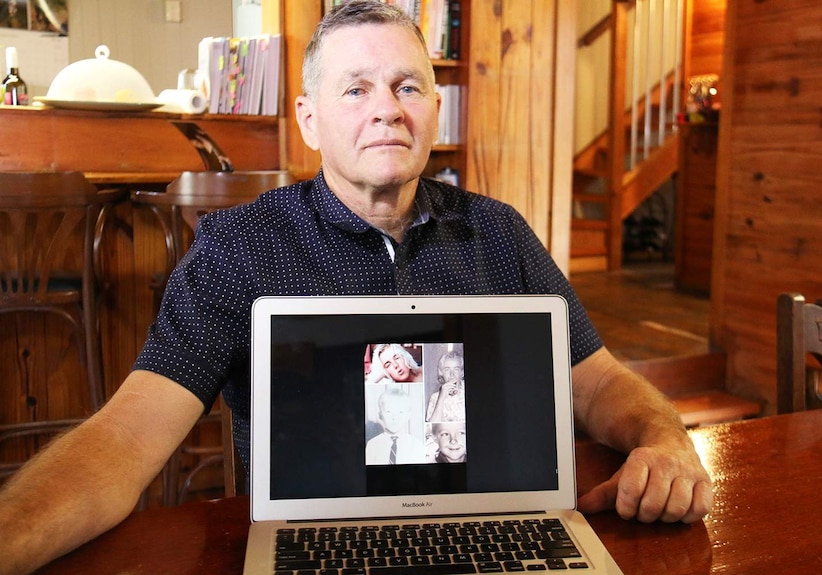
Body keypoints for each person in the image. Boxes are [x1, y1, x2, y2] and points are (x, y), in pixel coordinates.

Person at [0, 2, 712, 573]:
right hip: (310, 546)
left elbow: (596, 383)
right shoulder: (239, 248)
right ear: (310, 120)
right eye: (356, 88)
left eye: (408, 87)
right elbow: (126, 436)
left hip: (492, 541)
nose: (387, 108)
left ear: (435, 109)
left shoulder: (501, 234)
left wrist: (666, 438)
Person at [365, 388, 426, 465]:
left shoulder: (416, 446)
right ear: (380, 415)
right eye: (388, 412)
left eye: (400, 412)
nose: (394, 417)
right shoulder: (372, 445)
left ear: (408, 415)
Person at [425, 349, 465, 422]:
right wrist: (442, 397)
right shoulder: (435, 397)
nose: (452, 374)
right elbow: (432, 426)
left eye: (456, 369)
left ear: (462, 372)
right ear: (441, 372)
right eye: (447, 369)